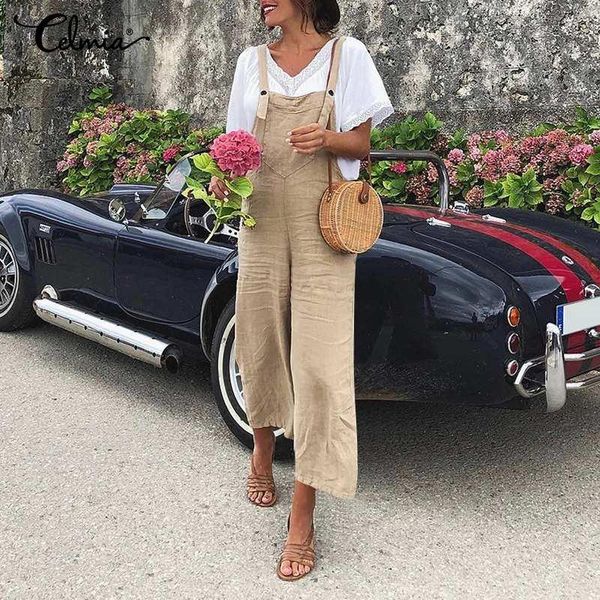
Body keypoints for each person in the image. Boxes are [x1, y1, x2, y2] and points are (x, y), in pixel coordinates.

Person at [210, 0, 394, 581]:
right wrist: (221, 178)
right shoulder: (251, 63)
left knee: (319, 366)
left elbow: (363, 145)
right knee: (260, 340)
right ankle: (262, 450)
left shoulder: (348, 56)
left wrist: (328, 139)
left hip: (325, 224)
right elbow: (235, 145)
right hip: (261, 218)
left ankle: (303, 516)